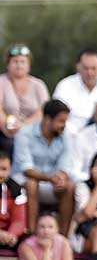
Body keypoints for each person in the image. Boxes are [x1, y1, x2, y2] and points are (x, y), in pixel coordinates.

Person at [12, 99, 75, 232]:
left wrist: (60, 178)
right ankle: (31, 233)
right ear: (47, 119)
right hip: (24, 181)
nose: (64, 125)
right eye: (61, 121)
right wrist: (50, 178)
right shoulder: (25, 134)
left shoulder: (65, 135)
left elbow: (65, 164)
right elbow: (26, 169)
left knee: (69, 187)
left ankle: (63, 237)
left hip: (51, 183)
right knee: (32, 183)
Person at [51, 49, 97, 135]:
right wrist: (80, 136)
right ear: (78, 67)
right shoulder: (64, 86)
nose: (90, 73)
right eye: (86, 68)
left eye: (94, 68)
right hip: (71, 138)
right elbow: (57, 117)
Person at [0, 43, 49, 154]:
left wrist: (24, 125)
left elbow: (43, 110)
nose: (19, 65)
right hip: (6, 132)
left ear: (29, 65)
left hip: (33, 132)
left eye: (23, 62)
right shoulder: (1, 82)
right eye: (15, 61)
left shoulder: (38, 85)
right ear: (8, 64)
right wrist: (7, 125)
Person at [0, 151, 28, 247]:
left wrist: (12, 235)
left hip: (7, 234)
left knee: (29, 241)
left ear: (10, 169)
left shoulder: (17, 190)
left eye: (4, 169)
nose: (0, 173)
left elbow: (19, 220)